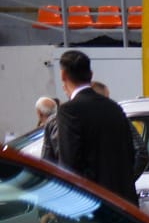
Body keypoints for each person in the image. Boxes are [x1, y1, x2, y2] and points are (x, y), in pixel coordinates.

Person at [52, 50, 139, 204]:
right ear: (91, 75)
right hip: (124, 203)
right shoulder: (114, 107)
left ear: (63, 75)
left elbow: (69, 165)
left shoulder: (68, 111)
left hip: (92, 204)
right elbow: (130, 154)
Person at [90, 80, 149, 178]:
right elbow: (141, 151)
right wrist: (127, 180)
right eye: (107, 98)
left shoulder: (79, 121)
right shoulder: (118, 117)